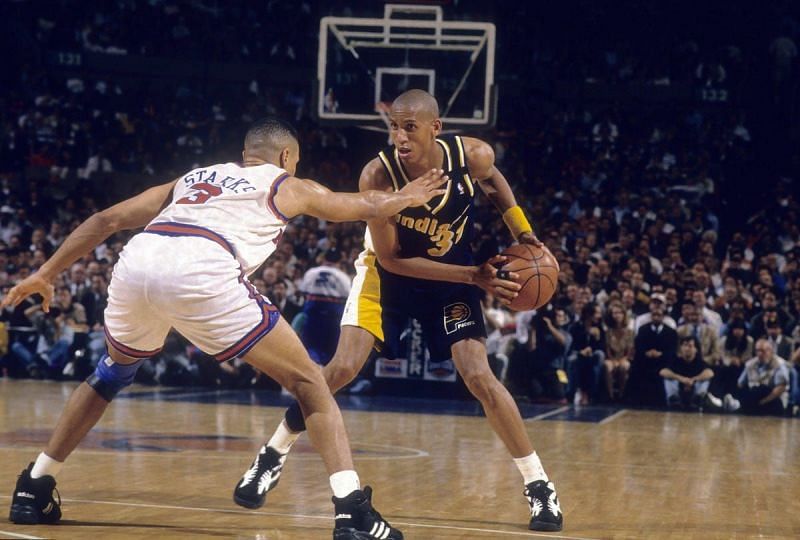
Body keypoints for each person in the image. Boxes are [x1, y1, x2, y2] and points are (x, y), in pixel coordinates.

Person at [4, 116, 450, 539]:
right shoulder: (284, 183)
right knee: (309, 381)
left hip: (139, 262)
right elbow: (357, 205)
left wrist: (46, 272)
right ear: (287, 157)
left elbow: (107, 221)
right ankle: (352, 509)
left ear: (243, 153)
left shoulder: (193, 177)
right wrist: (406, 197)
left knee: (111, 373)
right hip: (202, 266)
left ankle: (35, 484)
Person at [234, 90, 564, 532]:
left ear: (435, 128)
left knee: (480, 377)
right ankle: (270, 456)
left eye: (410, 127)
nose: (400, 136)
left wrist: (523, 232)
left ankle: (539, 487)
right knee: (339, 370)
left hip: (450, 275)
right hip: (389, 274)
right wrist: (473, 276)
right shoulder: (378, 174)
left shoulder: (474, 157)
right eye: (394, 126)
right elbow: (391, 260)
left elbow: (495, 185)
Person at [297, 247, 351, 365]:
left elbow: (303, 290)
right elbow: (348, 296)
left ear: (324, 258)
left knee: (310, 348)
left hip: (314, 314)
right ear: (339, 261)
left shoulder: (312, 272)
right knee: (330, 350)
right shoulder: (342, 276)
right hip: (333, 315)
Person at [724, 339, 791, 416]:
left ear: (771, 351)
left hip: (772, 399)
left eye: (763, 351)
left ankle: (738, 405)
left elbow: (780, 389)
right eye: (758, 351)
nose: (760, 354)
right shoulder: (750, 364)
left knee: (760, 389)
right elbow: (740, 384)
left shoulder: (779, 365)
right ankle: (738, 404)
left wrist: (762, 402)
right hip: (754, 398)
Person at [658, 336, 717, 410]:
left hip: (694, 389)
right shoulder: (676, 361)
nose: (687, 349)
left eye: (690, 346)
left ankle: (698, 400)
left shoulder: (699, 362)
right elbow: (662, 372)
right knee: (668, 378)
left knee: (705, 380)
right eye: (684, 345)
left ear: (696, 349)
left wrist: (694, 380)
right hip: (679, 389)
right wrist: (681, 379)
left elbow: (710, 373)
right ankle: (673, 400)